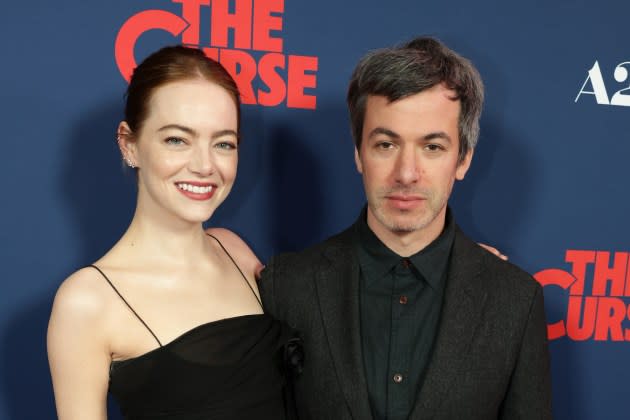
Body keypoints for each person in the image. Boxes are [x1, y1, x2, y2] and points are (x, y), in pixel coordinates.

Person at [259, 36, 553, 419]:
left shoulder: (515, 301)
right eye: (386, 145)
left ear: (462, 161)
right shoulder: (287, 285)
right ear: (358, 153)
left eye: (432, 147)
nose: (406, 174)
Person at [47, 46, 298, 420]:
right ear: (129, 144)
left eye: (223, 143)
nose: (204, 165)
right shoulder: (87, 302)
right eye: (177, 139)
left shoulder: (234, 249)